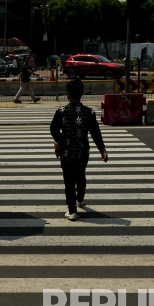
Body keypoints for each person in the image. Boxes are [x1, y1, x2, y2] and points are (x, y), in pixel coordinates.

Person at [50, 79, 108, 221]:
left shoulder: (62, 111)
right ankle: (80, 199)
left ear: (68, 94)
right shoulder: (89, 112)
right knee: (81, 175)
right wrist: (102, 149)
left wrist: (61, 140)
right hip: (83, 153)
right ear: (81, 94)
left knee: (69, 181)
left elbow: (53, 129)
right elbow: (95, 132)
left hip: (67, 152)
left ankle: (72, 211)